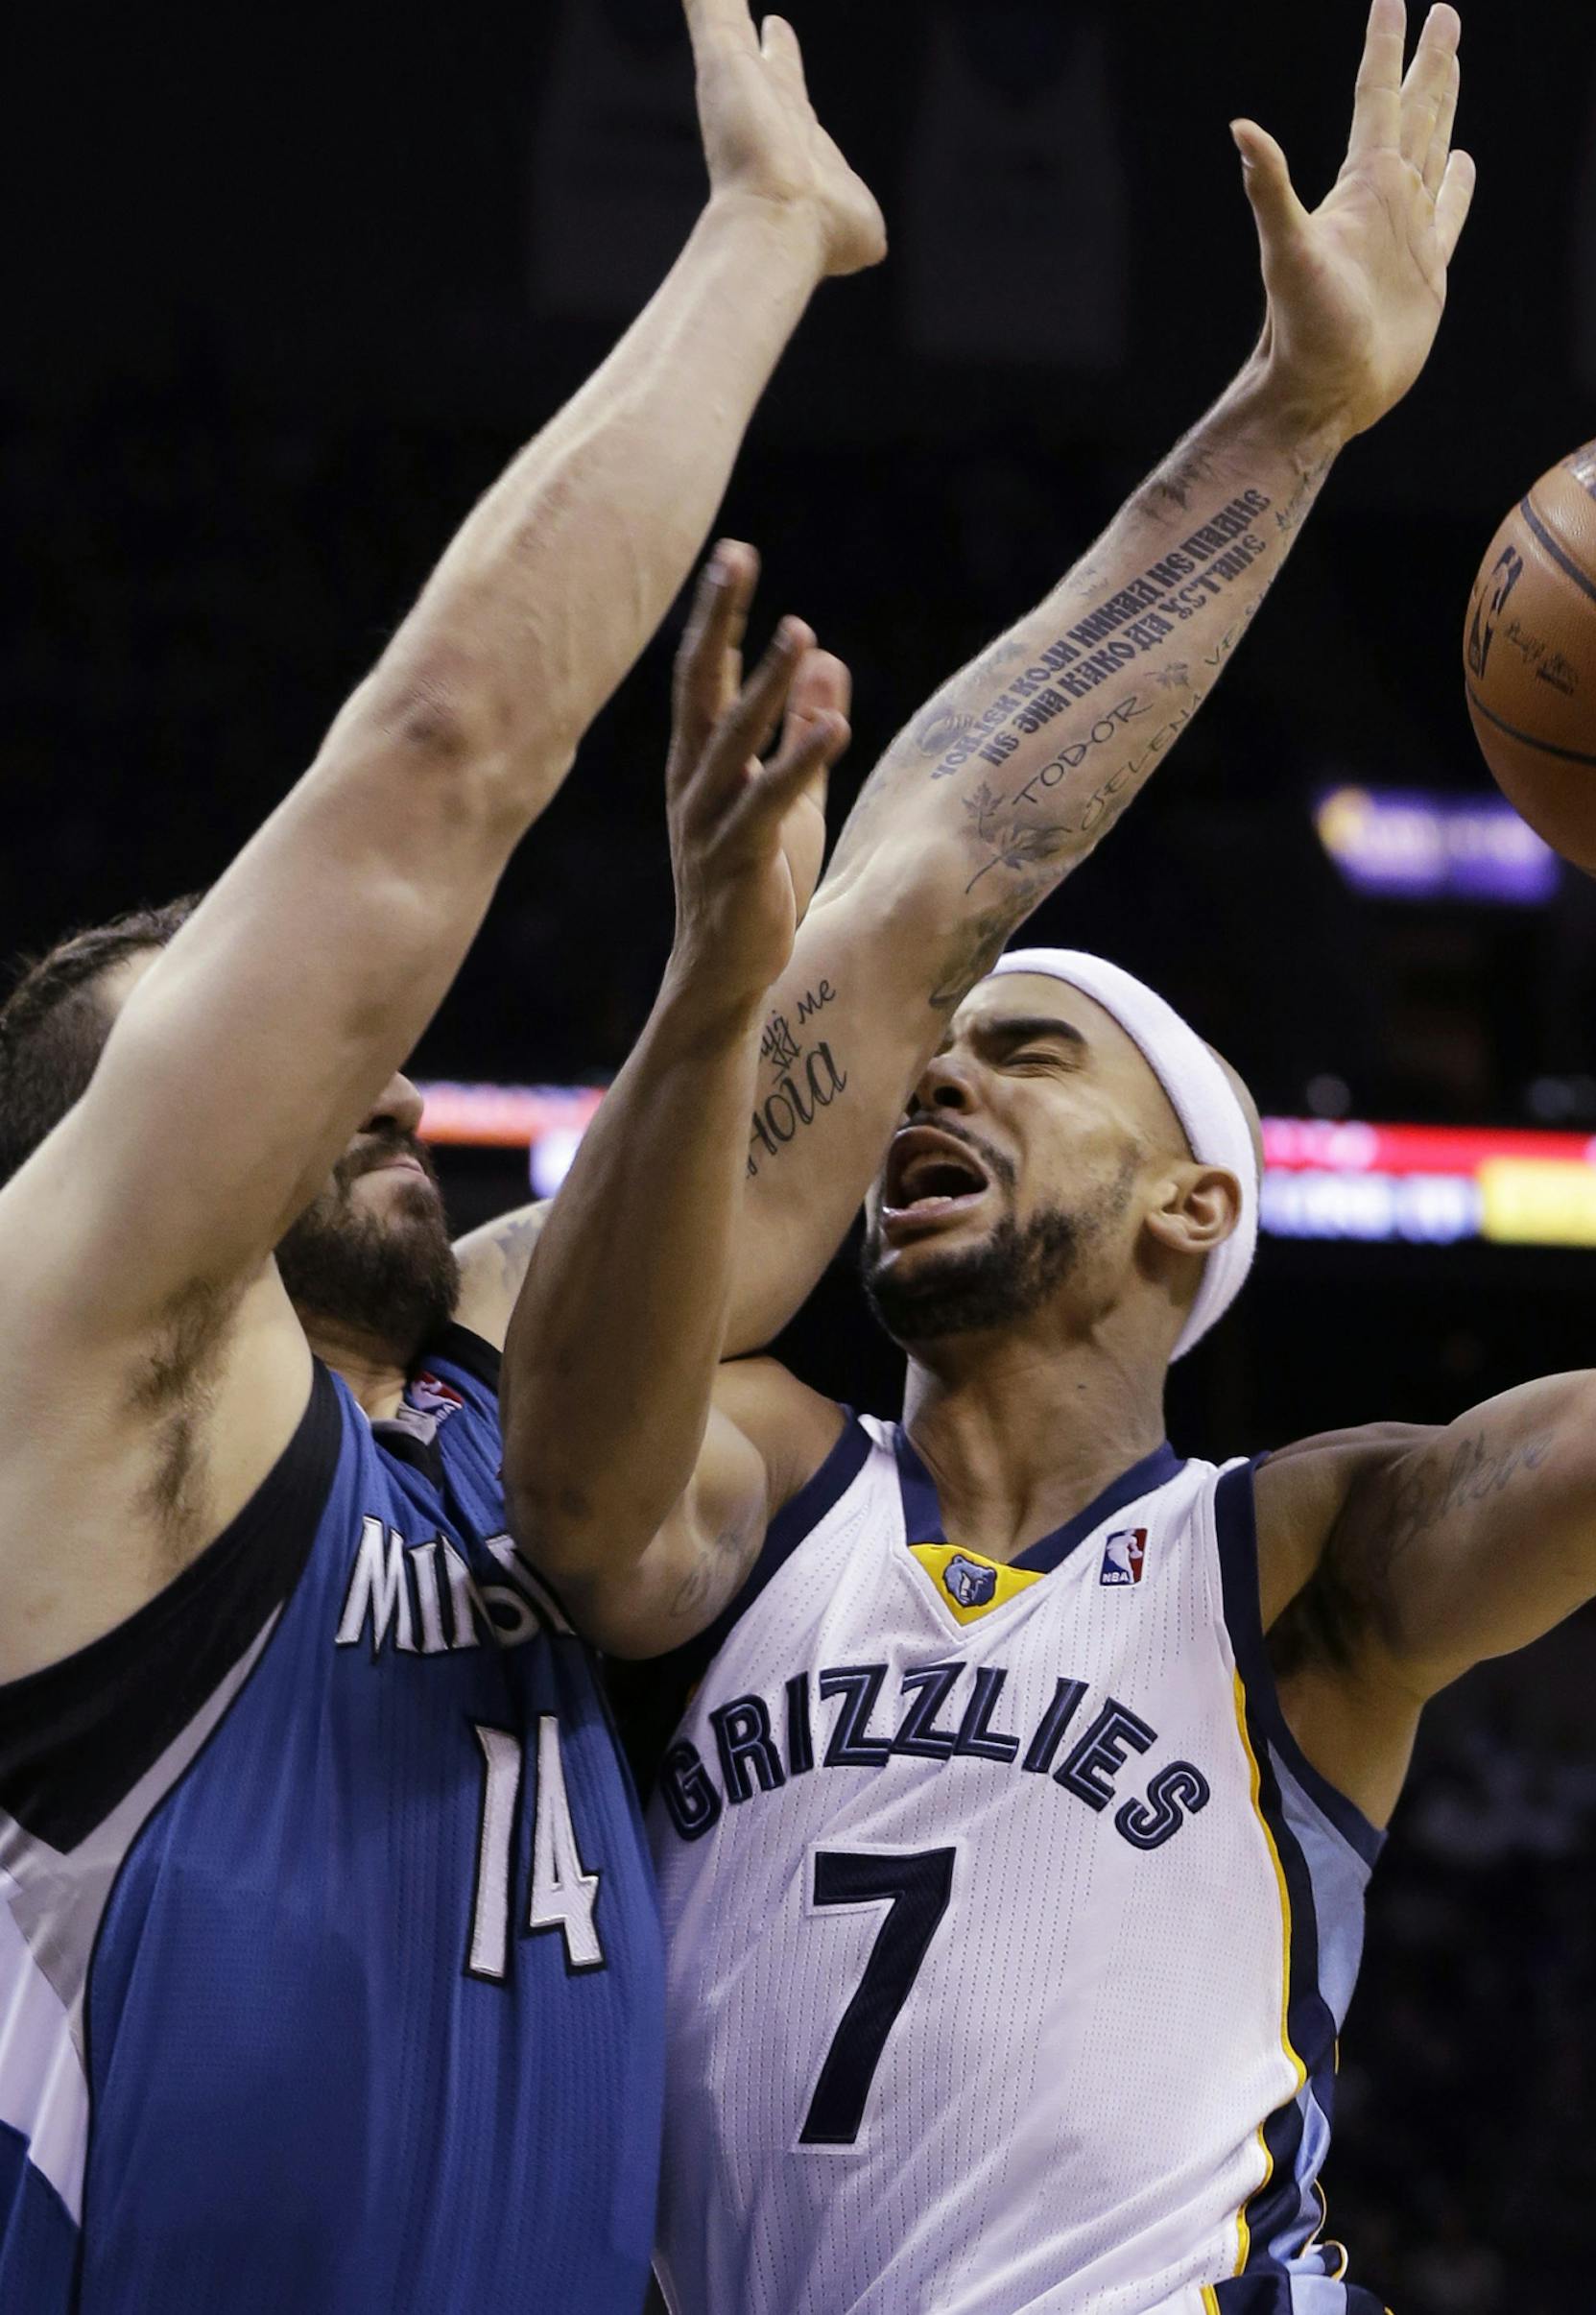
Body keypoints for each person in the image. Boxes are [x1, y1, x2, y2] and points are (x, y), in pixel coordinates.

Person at [501, 78, 1596, 2315]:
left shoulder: (1292, 1567)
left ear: (1191, 1214)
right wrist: (727, 1001)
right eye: (941, 1060)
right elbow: (572, 1492)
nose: (942, 1078)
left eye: (1029, 1058)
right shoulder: (770, 1483)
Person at [0, 0, 887, 2303]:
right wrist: (764, 236)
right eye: (282, 1081)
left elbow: (919, 917)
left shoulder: (489, 1380)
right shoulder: (67, 1366)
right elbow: (442, 758)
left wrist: (1281, 431)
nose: (389, 1082)